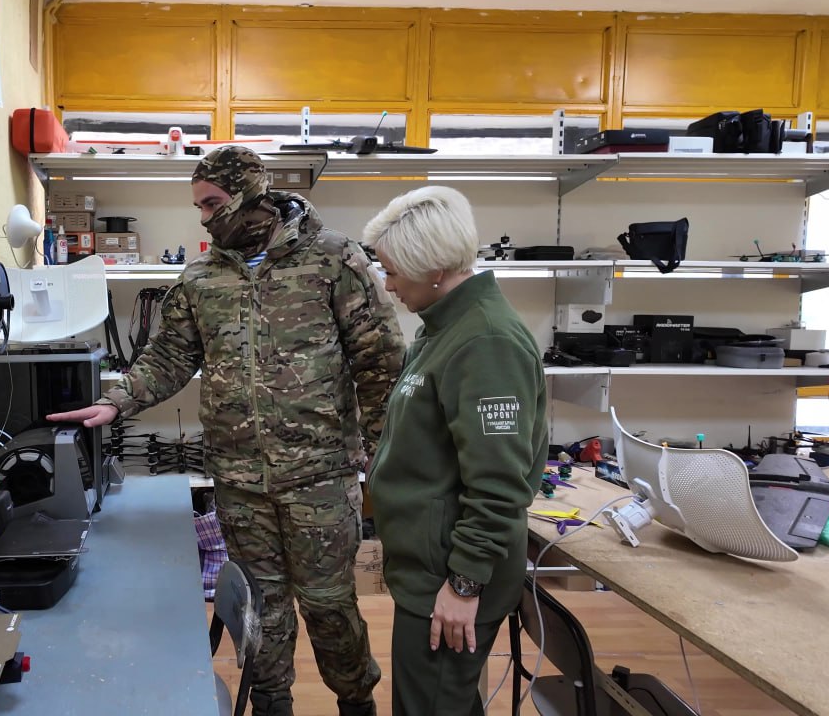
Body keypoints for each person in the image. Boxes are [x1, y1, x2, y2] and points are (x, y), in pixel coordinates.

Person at [48, 145, 405, 716]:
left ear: (249, 194)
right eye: (199, 205)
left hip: (318, 477)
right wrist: (115, 402)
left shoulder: (334, 258)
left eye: (212, 203)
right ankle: (271, 704)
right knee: (262, 608)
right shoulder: (201, 277)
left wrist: (383, 457)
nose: (204, 217)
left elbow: (379, 362)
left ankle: (356, 703)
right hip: (240, 482)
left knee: (329, 605)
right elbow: (168, 357)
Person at [360, 186, 547, 716]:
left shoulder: (484, 341)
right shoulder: (444, 330)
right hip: (430, 568)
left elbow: (499, 484)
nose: (388, 284)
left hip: (450, 575)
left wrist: (463, 585)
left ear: (434, 268)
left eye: (393, 271)